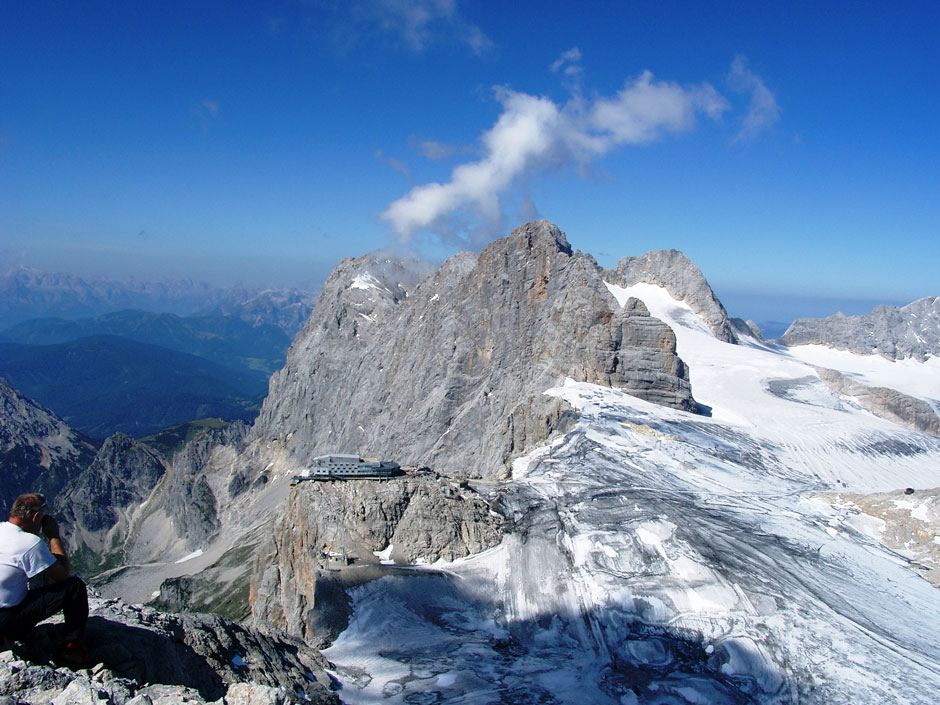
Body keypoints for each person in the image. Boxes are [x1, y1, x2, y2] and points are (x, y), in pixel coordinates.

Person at [0, 493, 91, 666]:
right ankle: (70, 648)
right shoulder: (29, 542)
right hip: (6, 621)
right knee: (74, 587)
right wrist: (53, 536)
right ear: (36, 517)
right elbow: (62, 574)